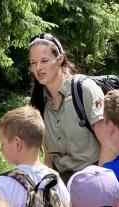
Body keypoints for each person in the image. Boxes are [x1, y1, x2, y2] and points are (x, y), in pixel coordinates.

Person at [28, 33, 110, 183]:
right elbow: (49, 157)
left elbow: (108, 144)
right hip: (62, 182)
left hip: (93, 178)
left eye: (44, 60)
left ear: (60, 59)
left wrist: (100, 183)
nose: (38, 68)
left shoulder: (84, 89)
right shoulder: (40, 103)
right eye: (33, 63)